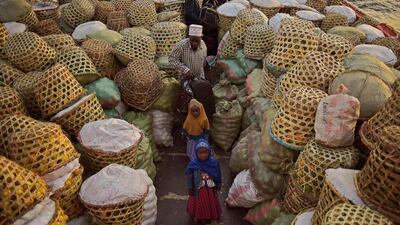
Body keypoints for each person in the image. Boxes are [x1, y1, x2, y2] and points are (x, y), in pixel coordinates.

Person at [170, 24, 216, 119]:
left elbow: (203, 62)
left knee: (200, 101)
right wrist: (185, 70)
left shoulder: (203, 45)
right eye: (192, 40)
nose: (194, 43)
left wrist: (204, 74)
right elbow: (172, 59)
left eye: (197, 40)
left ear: (201, 37)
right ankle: (186, 121)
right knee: (187, 102)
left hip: (199, 77)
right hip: (185, 79)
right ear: (189, 37)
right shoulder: (182, 45)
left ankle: (200, 120)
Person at [185, 139, 222, 224]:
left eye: (205, 152)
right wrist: (190, 187)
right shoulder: (193, 163)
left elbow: (218, 174)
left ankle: (212, 215)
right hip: (198, 190)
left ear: (209, 151)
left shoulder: (214, 163)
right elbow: (189, 176)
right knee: (199, 204)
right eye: (200, 153)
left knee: (210, 203)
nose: (203, 155)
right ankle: (199, 216)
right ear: (196, 153)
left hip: (210, 190)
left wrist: (218, 184)